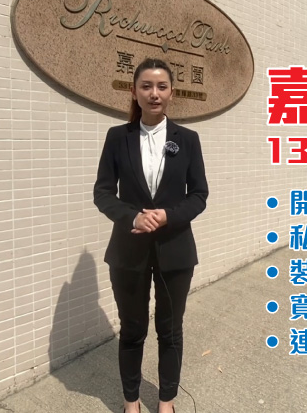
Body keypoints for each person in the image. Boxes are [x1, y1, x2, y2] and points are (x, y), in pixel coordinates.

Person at [93, 58, 208, 413]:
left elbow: (199, 195)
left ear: (171, 93)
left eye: (161, 86)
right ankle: (131, 402)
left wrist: (168, 216)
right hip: (129, 251)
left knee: (170, 331)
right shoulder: (118, 138)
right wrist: (132, 216)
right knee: (132, 330)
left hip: (176, 251)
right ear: (134, 92)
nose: (154, 93)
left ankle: (166, 401)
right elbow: (103, 193)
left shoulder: (188, 140)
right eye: (146, 86)